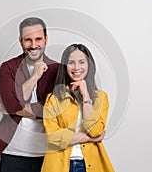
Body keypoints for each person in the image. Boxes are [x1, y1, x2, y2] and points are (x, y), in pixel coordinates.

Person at [0, 17, 59, 172]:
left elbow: (55, 111)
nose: (33, 45)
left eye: (38, 39)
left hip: (48, 154)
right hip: (13, 154)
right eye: (28, 40)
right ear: (20, 41)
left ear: (46, 39)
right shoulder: (8, 68)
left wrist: (12, 108)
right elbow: (10, 103)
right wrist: (35, 76)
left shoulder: (58, 70)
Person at [41, 44, 115, 172]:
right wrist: (90, 138)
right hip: (59, 166)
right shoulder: (53, 99)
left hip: (90, 165)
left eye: (81, 62)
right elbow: (54, 137)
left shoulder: (100, 98)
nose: (76, 67)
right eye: (71, 63)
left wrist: (85, 95)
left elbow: (96, 130)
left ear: (89, 65)